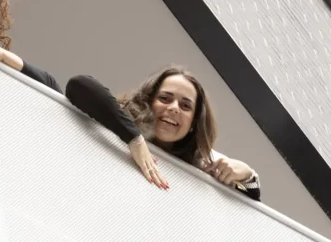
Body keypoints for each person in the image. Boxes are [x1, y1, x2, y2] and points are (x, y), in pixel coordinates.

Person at [64, 68, 261, 198]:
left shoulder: (203, 162)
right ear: (149, 102)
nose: (174, 108)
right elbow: (79, 85)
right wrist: (135, 140)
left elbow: (250, 203)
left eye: (185, 106)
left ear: (194, 123)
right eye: (165, 99)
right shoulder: (117, 122)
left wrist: (248, 176)